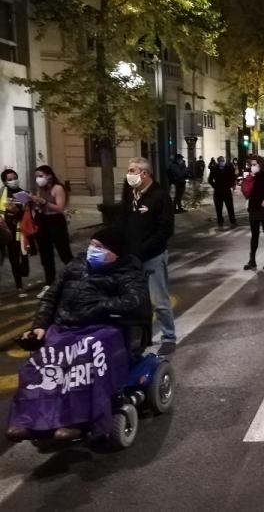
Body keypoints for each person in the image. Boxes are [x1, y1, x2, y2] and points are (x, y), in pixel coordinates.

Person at [5, 228, 150, 443]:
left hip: (101, 329)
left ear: (115, 253)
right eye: (92, 245)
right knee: (39, 364)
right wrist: (40, 326)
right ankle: (29, 419)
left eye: (100, 247)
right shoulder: (76, 265)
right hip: (65, 328)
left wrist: (100, 306)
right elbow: (50, 297)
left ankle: (77, 420)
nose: (93, 250)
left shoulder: (127, 272)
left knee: (81, 363)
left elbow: (136, 302)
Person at [120, 157, 176, 355]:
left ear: (144, 173)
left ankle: (168, 337)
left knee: (159, 300)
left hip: (153, 256)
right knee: (138, 301)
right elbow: (124, 221)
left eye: (132, 170)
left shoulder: (160, 196)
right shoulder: (130, 193)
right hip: (132, 257)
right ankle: (144, 338)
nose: (129, 174)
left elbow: (165, 230)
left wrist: (143, 250)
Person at [29, 165, 73, 297]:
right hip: (42, 221)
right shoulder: (41, 189)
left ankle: (77, 277)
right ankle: (49, 283)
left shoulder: (58, 188)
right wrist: (33, 202)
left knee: (64, 252)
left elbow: (59, 207)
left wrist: (43, 202)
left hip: (56, 221)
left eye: (41, 176)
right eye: (36, 176)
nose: (38, 179)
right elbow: (40, 206)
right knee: (45, 254)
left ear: (49, 175)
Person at [241, 155, 264, 271]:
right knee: (254, 235)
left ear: (261, 164)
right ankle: (252, 260)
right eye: (251, 165)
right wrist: (250, 177)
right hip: (254, 209)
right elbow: (246, 192)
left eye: (254, 165)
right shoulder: (252, 177)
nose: (252, 167)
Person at [1, 169, 30, 297]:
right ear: (5, 181)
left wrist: (16, 211)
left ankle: (19, 286)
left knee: (14, 259)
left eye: (15, 178)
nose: (13, 181)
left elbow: (27, 213)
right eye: (10, 179)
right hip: (1, 230)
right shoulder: (2, 192)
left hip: (16, 231)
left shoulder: (22, 193)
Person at [208, 156, 237, 228]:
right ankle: (220, 221)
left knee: (230, 207)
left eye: (223, 161)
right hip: (218, 191)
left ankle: (233, 221)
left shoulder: (229, 168)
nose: (222, 162)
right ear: (218, 162)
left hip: (227, 190)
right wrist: (215, 186)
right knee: (218, 208)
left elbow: (233, 178)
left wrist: (230, 185)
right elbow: (210, 179)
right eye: (220, 161)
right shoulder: (214, 169)